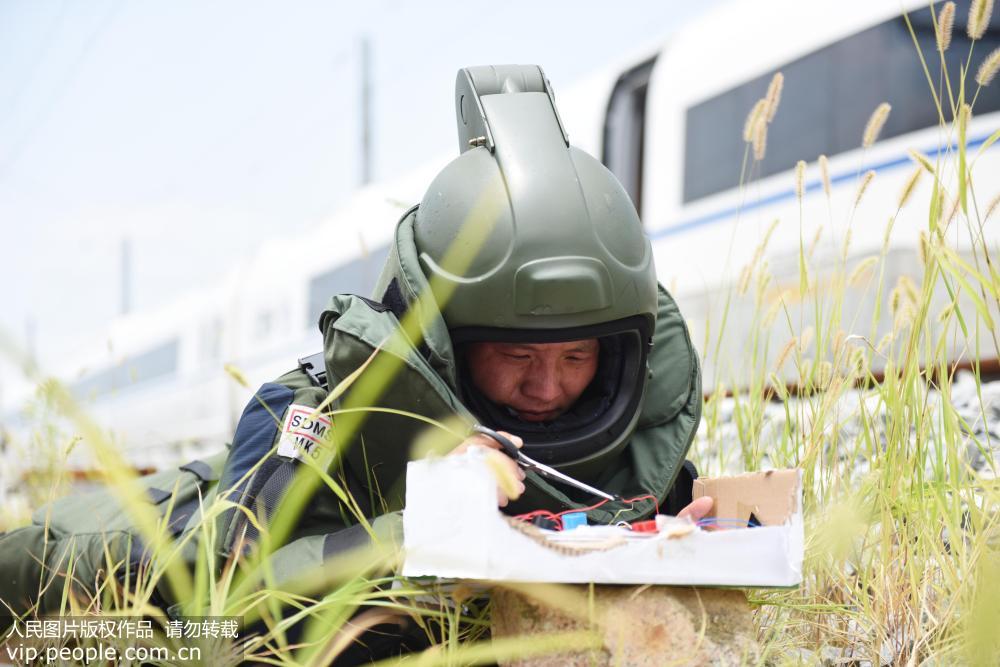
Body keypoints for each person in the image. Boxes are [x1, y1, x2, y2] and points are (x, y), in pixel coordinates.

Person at [0, 64, 707, 661]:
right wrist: (429, 533)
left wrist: (681, 541)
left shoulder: (631, 433)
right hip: (103, 562)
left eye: (578, 355)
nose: (549, 385)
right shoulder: (311, 408)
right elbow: (218, 613)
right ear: (446, 346)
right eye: (517, 353)